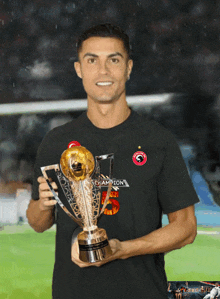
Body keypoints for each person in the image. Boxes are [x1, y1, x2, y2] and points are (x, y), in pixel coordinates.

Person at [26, 23, 199, 299]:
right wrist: (43, 205)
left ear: (128, 68)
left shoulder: (158, 140)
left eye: (114, 60)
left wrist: (121, 249)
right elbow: (37, 222)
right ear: (79, 69)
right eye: (92, 60)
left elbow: (186, 228)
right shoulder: (57, 142)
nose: (103, 71)